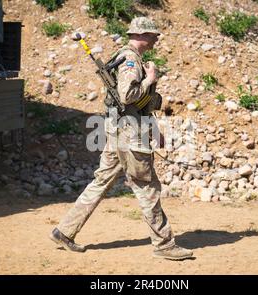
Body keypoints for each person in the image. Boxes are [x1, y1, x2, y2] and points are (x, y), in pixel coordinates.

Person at [50, 17, 193, 260]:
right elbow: (128, 96)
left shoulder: (127, 57)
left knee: (102, 180)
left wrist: (153, 128)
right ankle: (164, 244)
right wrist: (150, 79)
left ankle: (65, 231)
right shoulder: (130, 61)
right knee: (147, 187)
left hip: (119, 131)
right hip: (130, 135)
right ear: (143, 34)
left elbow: (138, 104)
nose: (157, 38)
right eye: (153, 34)